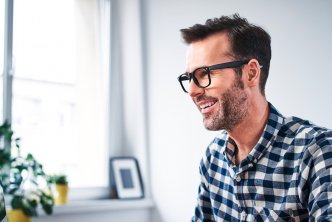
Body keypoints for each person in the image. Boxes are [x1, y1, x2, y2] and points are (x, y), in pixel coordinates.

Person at [177, 13, 332, 221]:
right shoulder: (213, 158)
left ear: (250, 73)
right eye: (189, 78)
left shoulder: (316, 152)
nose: (192, 91)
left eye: (204, 74)